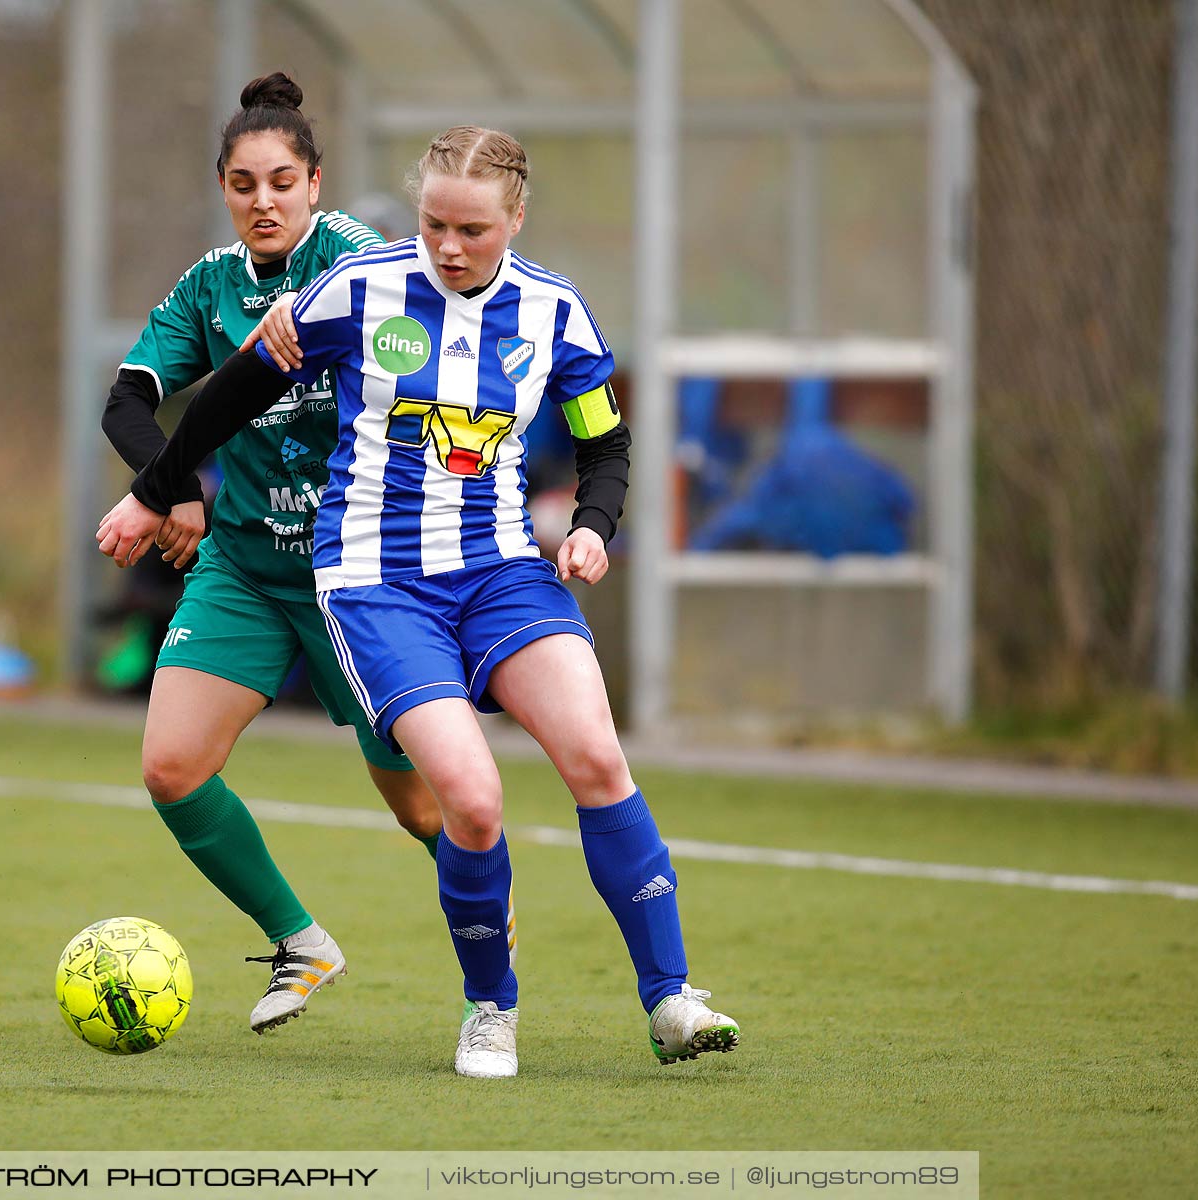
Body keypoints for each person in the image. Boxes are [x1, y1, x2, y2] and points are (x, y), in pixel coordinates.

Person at [100, 126, 740, 1078]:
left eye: (473, 230)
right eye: (435, 223)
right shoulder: (358, 289)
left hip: (502, 574)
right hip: (378, 580)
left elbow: (606, 442)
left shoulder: (555, 311)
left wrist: (595, 524)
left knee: (598, 756)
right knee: (470, 804)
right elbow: (229, 399)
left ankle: (672, 1001)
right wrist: (158, 490)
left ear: (515, 218)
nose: (448, 246)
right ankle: (491, 1010)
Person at [97, 74, 511, 1034]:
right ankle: (301, 941)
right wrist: (178, 489)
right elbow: (128, 398)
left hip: (360, 575)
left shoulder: (363, 267)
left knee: (425, 811)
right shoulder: (210, 284)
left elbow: (428, 375)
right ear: (223, 188)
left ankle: (495, 963)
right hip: (245, 566)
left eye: (282, 180)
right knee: (171, 767)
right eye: (243, 184)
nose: (263, 201)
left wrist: (154, 495)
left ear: (315, 183)